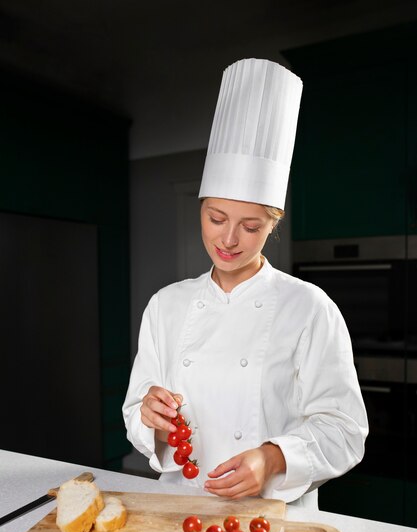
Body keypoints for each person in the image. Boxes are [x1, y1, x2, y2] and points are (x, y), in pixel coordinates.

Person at [123, 58, 368, 508]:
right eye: (216, 218)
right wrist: (149, 417)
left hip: (271, 521)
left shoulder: (310, 307)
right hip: (180, 512)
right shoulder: (165, 305)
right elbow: (135, 412)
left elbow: (346, 430)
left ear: (273, 225)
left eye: (251, 226)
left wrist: (273, 458)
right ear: (200, 208)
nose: (229, 240)